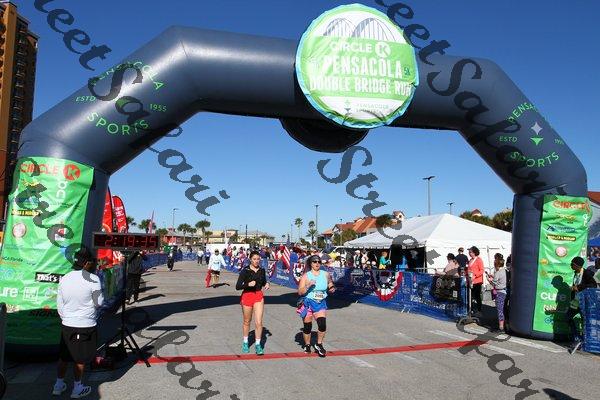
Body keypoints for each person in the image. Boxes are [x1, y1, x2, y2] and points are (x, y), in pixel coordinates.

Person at [53, 250, 103, 398]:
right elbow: (99, 303)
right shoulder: (93, 278)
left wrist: (66, 317)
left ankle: (58, 385)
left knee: (64, 356)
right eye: (91, 262)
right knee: (80, 358)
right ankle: (77, 388)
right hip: (85, 324)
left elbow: (59, 304)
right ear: (86, 263)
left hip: (67, 323)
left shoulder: (65, 278)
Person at [297, 255, 336, 357]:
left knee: (322, 324)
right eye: (314, 262)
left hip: (320, 303)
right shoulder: (306, 276)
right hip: (308, 303)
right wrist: (308, 285)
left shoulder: (325, 274)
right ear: (311, 264)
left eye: (319, 261)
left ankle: (319, 344)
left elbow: (330, 282)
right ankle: (307, 345)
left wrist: (331, 287)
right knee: (307, 327)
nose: (317, 263)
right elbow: (300, 292)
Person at [236, 250, 270, 355]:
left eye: (258, 259)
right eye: (254, 259)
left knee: (259, 322)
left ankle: (258, 345)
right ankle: (245, 342)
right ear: (250, 259)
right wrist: (248, 284)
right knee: (247, 321)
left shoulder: (262, 270)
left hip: (258, 296)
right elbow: (238, 286)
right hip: (247, 296)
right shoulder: (245, 270)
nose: (256, 261)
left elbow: (263, 282)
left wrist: (267, 284)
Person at [566, 256, 597, 351]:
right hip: (576, 301)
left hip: (585, 302)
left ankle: (583, 342)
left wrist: (578, 287)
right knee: (567, 317)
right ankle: (577, 338)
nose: (571, 265)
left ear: (577, 265)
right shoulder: (576, 273)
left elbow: (593, 285)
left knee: (585, 322)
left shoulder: (587, 273)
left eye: (572, 264)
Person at [487, 257, 507, 331]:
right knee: (503, 309)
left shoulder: (498, 272)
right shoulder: (504, 271)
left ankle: (501, 327)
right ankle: (503, 325)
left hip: (499, 292)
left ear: (497, 265)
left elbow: (494, 283)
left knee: (499, 310)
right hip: (504, 291)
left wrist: (489, 280)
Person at [467, 246, 484, 313]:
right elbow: (469, 269)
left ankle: (479, 309)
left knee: (477, 296)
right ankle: (471, 309)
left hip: (477, 281)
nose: (469, 253)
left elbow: (482, 270)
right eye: (469, 252)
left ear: (474, 252)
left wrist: (475, 275)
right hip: (471, 280)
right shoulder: (470, 260)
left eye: (470, 252)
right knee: (470, 296)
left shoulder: (479, 260)